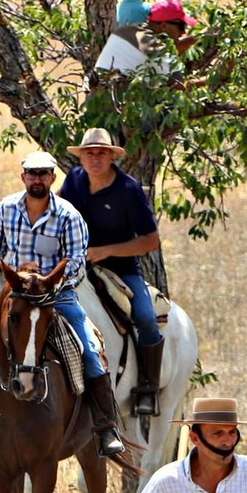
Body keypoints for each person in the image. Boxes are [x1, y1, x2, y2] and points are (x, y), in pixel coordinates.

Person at [0, 150, 127, 460]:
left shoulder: (68, 215)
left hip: (56, 296)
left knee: (89, 350)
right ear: (23, 176)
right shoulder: (6, 208)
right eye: (32, 173)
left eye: (44, 174)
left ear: (53, 178)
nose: (37, 179)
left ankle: (106, 427)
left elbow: (77, 261)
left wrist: (48, 283)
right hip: (13, 299)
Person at [58, 127, 165, 416]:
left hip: (121, 269)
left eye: (101, 153)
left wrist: (105, 251)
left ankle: (147, 386)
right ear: (81, 158)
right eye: (89, 153)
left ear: (111, 157)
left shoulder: (128, 190)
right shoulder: (73, 181)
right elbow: (56, 214)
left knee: (144, 316)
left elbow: (150, 241)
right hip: (75, 265)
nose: (95, 158)